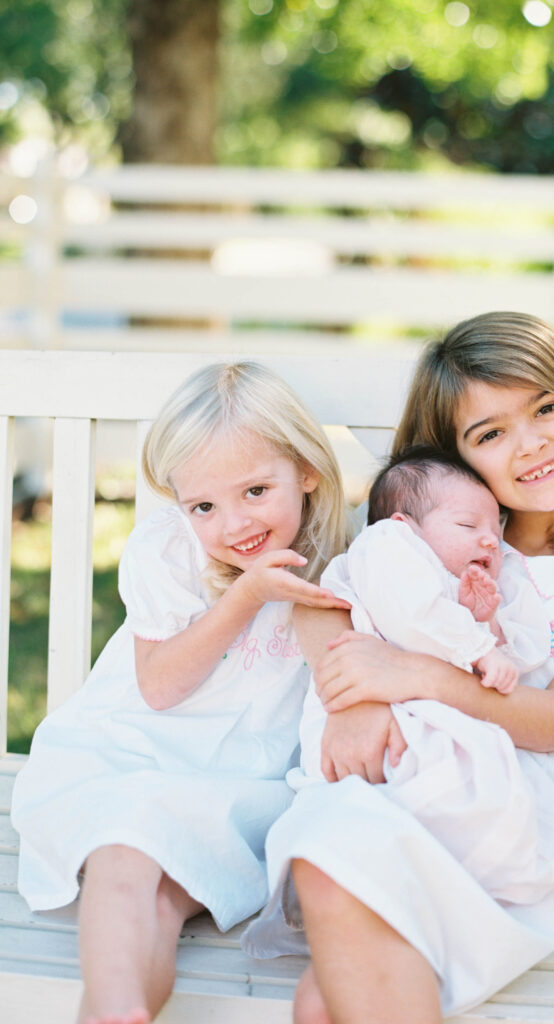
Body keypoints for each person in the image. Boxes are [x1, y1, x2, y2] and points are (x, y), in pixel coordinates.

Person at [240, 312, 554, 1024]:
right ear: (453, 460)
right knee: (322, 991)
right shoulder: (441, 534)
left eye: (547, 407)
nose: (532, 442)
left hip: (513, 848)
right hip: (402, 798)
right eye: (490, 433)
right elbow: (324, 602)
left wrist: (409, 676)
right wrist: (357, 699)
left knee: (328, 942)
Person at [10, 360, 351, 1024]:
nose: (234, 525)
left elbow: (340, 680)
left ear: (306, 470)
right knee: (124, 849)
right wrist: (247, 596)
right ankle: (115, 1011)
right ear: (179, 503)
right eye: (204, 506)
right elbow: (160, 687)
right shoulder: (169, 551)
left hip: (239, 786)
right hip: (132, 754)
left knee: (165, 892)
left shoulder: (339, 554)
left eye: (255, 490)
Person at [291, 446, 554, 906]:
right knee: (416, 802)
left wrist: (485, 620)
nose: (491, 541)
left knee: (474, 789)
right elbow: (412, 616)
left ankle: (450, 872)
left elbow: (500, 661)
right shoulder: (385, 550)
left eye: (496, 530)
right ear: (404, 527)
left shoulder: (452, 586)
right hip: (365, 726)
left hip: (422, 716)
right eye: (469, 526)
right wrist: (478, 647)